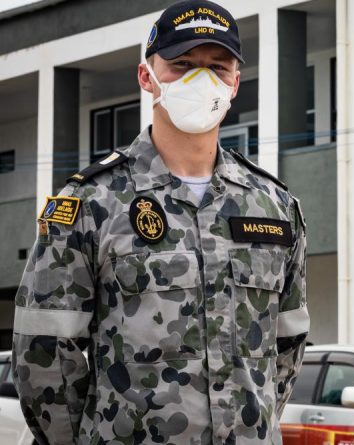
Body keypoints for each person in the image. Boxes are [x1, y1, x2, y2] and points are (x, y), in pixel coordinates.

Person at [12, 1, 309, 444]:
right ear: (146, 77)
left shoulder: (273, 206)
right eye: (182, 64)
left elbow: (286, 347)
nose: (200, 78)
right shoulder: (93, 200)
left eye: (217, 67)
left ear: (235, 83)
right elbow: (45, 353)